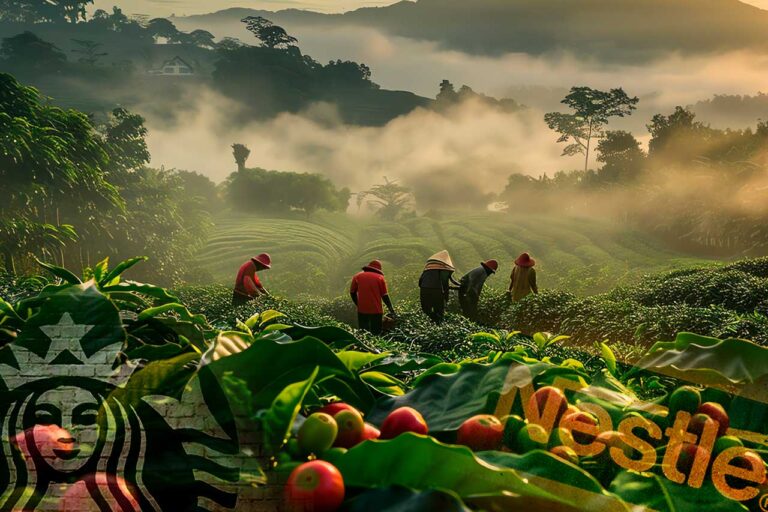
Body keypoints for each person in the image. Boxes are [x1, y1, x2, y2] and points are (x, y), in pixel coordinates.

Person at [350, 260, 396, 335]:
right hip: (376, 311)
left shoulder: (357, 276)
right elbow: (384, 296)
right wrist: (391, 310)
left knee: (363, 332)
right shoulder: (380, 278)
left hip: (362, 310)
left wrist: (358, 304)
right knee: (376, 333)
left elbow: (352, 293)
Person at [418, 250, 460, 323]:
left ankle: (430, 323)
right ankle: (437, 323)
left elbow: (420, 282)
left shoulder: (427, 269)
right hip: (436, 290)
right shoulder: (444, 270)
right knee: (439, 311)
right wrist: (446, 298)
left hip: (424, 289)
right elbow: (445, 284)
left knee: (426, 311)